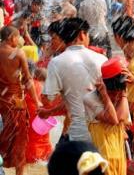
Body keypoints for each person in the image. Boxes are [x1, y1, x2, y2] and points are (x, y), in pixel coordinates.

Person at [41, 18, 107, 142]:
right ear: (82, 34)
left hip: (76, 133)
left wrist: (48, 110)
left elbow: (47, 100)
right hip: (102, 131)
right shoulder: (102, 59)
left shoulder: (56, 62)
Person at [0, 26, 40, 175]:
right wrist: (37, 102)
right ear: (11, 38)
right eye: (17, 37)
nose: (19, 41)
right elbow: (29, 80)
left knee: (2, 138)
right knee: (19, 143)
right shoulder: (18, 54)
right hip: (15, 104)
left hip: (1, 103)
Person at [83, 57, 130, 175]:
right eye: (113, 93)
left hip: (119, 157)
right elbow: (113, 120)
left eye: (119, 92)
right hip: (101, 159)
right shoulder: (90, 98)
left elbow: (121, 118)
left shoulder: (121, 96)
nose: (116, 96)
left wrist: (123, 93)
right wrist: (105, 96)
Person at [25, 63, 53, 165]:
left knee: (32, 138)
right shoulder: (40, 87)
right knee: (43, 138)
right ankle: (44, 158)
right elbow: (49, 103)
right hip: (41, 118)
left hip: (31, 117)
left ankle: (32, 158)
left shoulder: (29, 84)